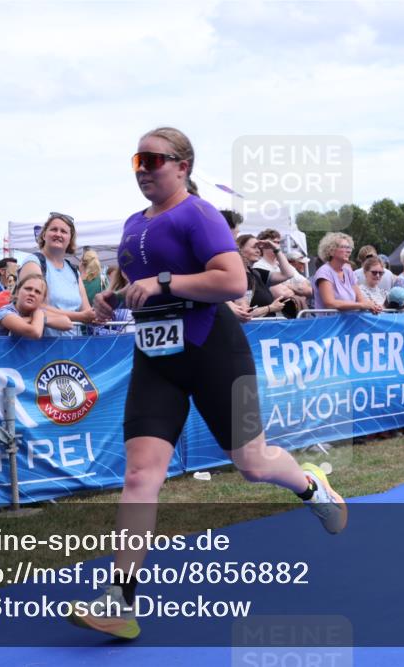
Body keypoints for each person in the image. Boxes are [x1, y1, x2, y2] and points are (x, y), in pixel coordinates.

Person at [77, 127, 346, 640]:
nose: (142, 167)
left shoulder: (197, 213)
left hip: (218, 351)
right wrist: (109, 301)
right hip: (157, 358)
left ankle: (311, 484)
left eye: (153, 158)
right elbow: (126, 284)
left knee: (252, 462)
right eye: (137, 158)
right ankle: (118, 599)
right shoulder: (133, 224)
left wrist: (163, 285)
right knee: (140, 477)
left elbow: (233, 281)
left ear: (182, 165)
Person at [17, 213, 96, 336]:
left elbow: (85, 309)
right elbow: (34, 305)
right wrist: (80, 317)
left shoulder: (73, 270)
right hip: (40, 346)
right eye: (54, 229)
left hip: (72, 346)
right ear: (44, 235)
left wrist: (97, 315)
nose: (58, 234)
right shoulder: (34, 263)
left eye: (64, 231)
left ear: (70, 239)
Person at [311, 232, 382, 314]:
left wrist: (372, 306)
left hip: (348, 323)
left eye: (349, 247)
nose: (348, 251)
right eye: (344, 247)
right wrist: (361, 305)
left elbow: (360, 299)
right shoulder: (324, 272)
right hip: (329, 324)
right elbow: (330, 303)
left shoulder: (348, 271)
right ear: (331, 251)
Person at [229, 234, 291, 322]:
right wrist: (270, 308)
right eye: (254, 247)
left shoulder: (257, 273)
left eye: (259, 248)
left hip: (265, 329)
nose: (258, 251)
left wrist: (276, 249)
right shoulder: (238, 276)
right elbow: (244, 313)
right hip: (252, 330)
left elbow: (287, 274)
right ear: (240, 250)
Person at [0, 274, 73, 338]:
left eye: (37, 292)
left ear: (42, 300)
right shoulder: (5, 312)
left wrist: (41, 318)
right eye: (28, 289)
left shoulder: (37, 312)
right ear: (17, 292)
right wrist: (38, 316)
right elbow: (35, 332)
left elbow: (68, 323)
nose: (32, 294)